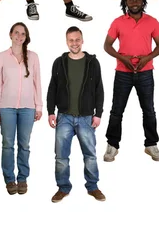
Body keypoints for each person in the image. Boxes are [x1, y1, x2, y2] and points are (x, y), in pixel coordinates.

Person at [103, 0, 159, 162]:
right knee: (117, 110)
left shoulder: (152, 22)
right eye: (131, 0)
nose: (135, 3)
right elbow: (107, 46)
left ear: (143, 1)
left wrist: (148, 58)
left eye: (138, 0)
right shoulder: (118, 22)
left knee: (149, 110)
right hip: (123, 73)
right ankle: (112, 145)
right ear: (125, 2)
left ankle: (151, 144)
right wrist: (122, 58)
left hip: (145, 73)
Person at [47, 27, 105, 203]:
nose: (74, 43)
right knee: (61, 156)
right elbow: (52, 88)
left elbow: (99, 89)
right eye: (71, 40)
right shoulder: (59, 62)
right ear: (66, 42)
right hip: (63, 116)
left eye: (77, 39)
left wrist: (98, 114)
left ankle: (93, 187)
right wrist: (51, 112)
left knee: (90, 155)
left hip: (86, 117)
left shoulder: (92, 62)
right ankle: (63, 188)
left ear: (82, 40)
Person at [0, 22, 42, 195]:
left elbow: (37, 83)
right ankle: (9, 180)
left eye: (23, 34)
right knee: (7, 145)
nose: (19, 36)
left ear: (26, 37)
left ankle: (22, 178)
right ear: (10, 34)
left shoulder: (33, 57)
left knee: (24, 145)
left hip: (28, 107)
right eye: (16, 33)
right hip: (6, 107)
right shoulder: (1, 57)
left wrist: (39, 106)